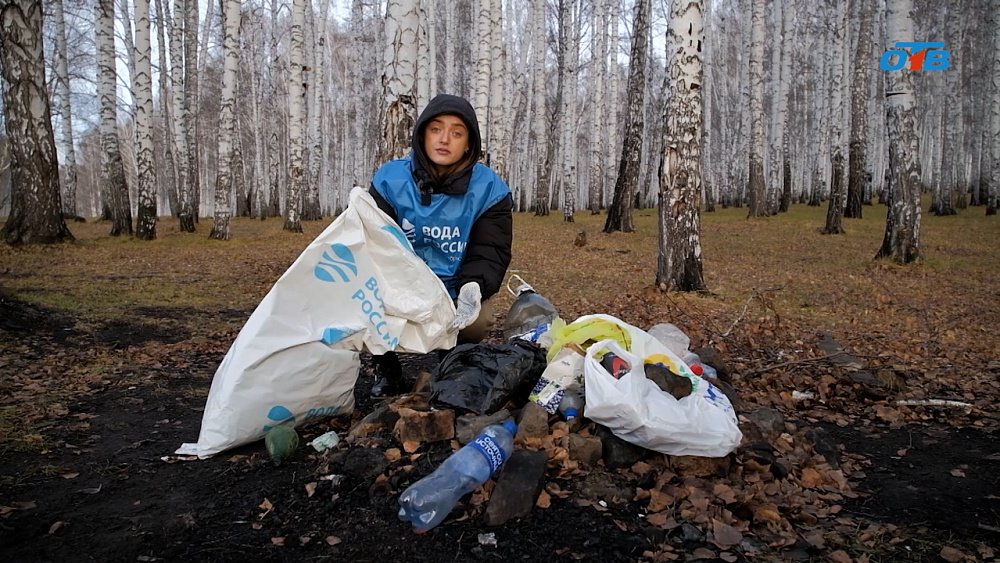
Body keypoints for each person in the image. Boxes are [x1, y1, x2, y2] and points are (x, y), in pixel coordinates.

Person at [367, 93, 513, 397]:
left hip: (454, 286)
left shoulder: (489, 189)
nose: (444, 139)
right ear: (422, 134)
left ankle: (454, 358)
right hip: (400, 283)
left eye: (457, 132)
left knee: (479, 319)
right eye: (436, 129)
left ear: (469, 144)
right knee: (362, 298)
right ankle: (386, 367)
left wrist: (474, 286)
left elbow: (489, 250)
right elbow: (374, 244)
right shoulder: (389, 181)